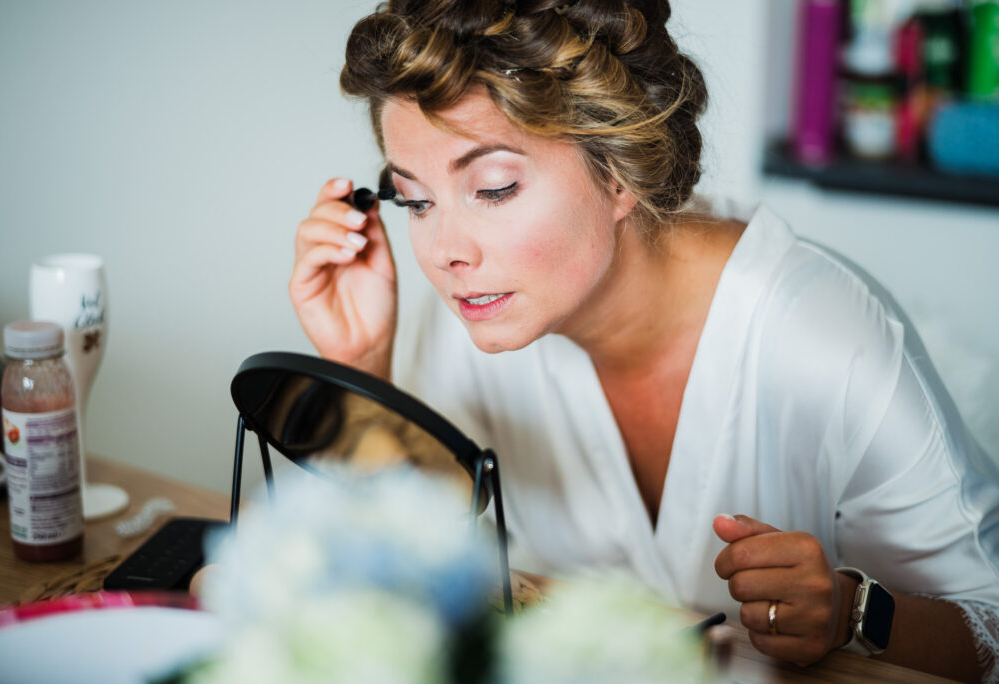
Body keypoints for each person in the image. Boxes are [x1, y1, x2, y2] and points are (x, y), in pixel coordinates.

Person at [289, 1, 999, 680]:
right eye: (416, 201)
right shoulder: (472, 320)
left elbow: (990, 629)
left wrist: (853, 610)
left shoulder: (824, 339)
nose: (445, 251)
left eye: (494, 188)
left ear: (619, 169)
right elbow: (411, 561)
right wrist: (361, 368)